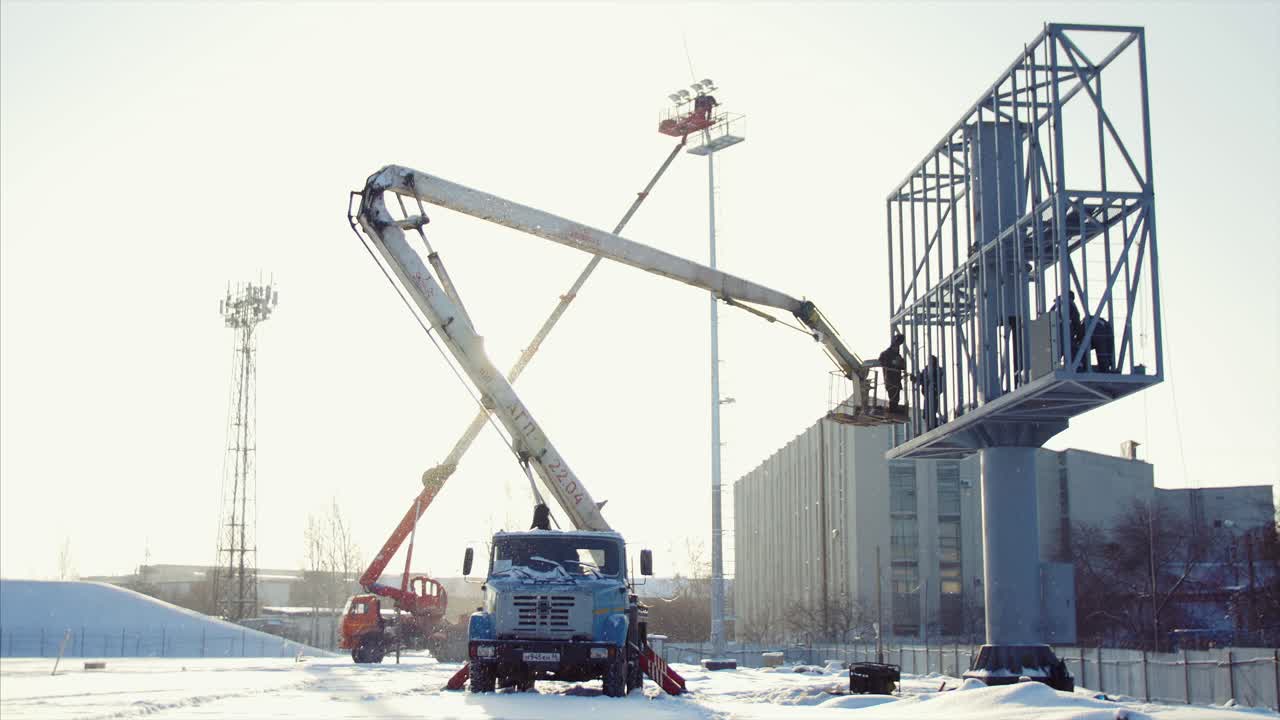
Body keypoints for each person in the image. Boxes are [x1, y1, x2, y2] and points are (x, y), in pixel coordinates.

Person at [878, 333, 907, 412]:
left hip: (896, 380)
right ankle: (893, 409)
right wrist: (892, 363)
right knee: (893, 396)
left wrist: (899, 363)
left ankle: (894, 409)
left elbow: (903, 366)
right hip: (890, 380)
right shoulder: (886, 354)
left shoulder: (897, 355)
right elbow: (881, 361)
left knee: (896, 397)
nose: (897, 348)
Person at [917, 354, 945, 430]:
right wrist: (917, 378)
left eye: (931, 360)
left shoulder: (938, 370)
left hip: (934, 393)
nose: (929, 361)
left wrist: (935, 388)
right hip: (927, 394)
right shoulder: (926, 369)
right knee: (926, 414)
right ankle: (930, 427)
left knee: (932, 411)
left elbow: (941, 382)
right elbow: (921, 380)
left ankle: (934, 425)